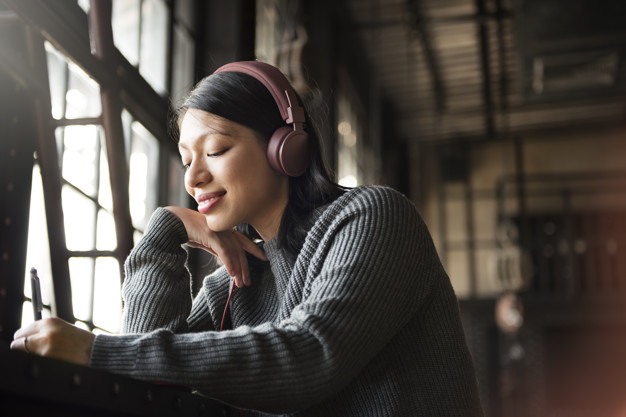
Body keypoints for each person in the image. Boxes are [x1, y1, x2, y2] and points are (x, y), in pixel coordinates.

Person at [11, 61, 484, 416]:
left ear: (285, 148)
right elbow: (147, 384)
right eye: (185, 159)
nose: (193, 177)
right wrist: (165, 231)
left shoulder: (374, 219)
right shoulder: (232, 286)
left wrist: (96, 351)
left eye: (215, 150)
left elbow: (309, 355)